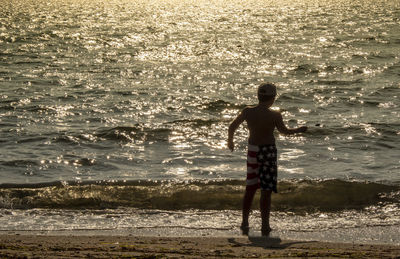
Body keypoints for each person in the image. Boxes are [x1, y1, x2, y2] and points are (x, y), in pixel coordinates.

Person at [227, 82, 307, 236]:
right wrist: (299, 130)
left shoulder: (248, 112)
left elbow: (232, 126)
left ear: (258, 96)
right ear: (273, 98)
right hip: (268, 152)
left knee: (250, 187)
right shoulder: (275, 115)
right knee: (266, 189)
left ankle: (244, 221)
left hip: (253, 152)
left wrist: (230, 141)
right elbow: (284, 131)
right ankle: (265, 224)